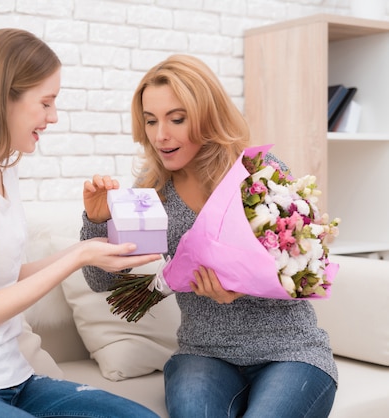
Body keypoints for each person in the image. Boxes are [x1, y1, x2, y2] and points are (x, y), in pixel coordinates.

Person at [0, 28, 161, 418]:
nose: (53, 117)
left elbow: (8, 277)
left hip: (14, 381)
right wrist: (78, 257)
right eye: (46, 102)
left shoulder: (3, 172)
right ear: (5, 98)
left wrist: (88, 253)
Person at [80, 54, 337, 418]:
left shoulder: (260, 174)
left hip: (290, 351)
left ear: (207, 116)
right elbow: (100, 280)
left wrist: (246, 285)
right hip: (203, 355)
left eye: (177, 119)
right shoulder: (152, 194)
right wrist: (96, 220)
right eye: (151, 121)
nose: (160, 135)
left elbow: (308, 268)